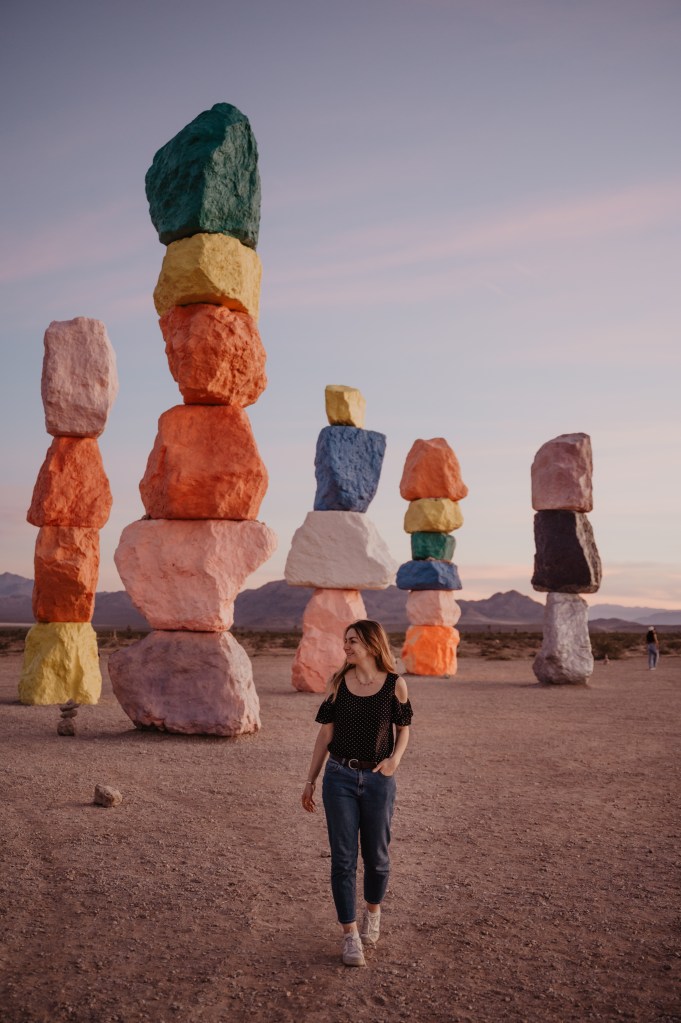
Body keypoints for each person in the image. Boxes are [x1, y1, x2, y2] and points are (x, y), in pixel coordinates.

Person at [301, 620, 412, 967]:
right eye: (345, 640)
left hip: (379, 780)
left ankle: (372, 913)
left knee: (377, 858)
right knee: (344, 859)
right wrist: (311, 779)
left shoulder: (395, 684)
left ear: (370, 643)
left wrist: (395, 760)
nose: (345, 646)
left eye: (352, 641)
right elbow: (325, 736)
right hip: (339, 778)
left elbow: (404, 729)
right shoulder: (338, 683)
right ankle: (350, 935)